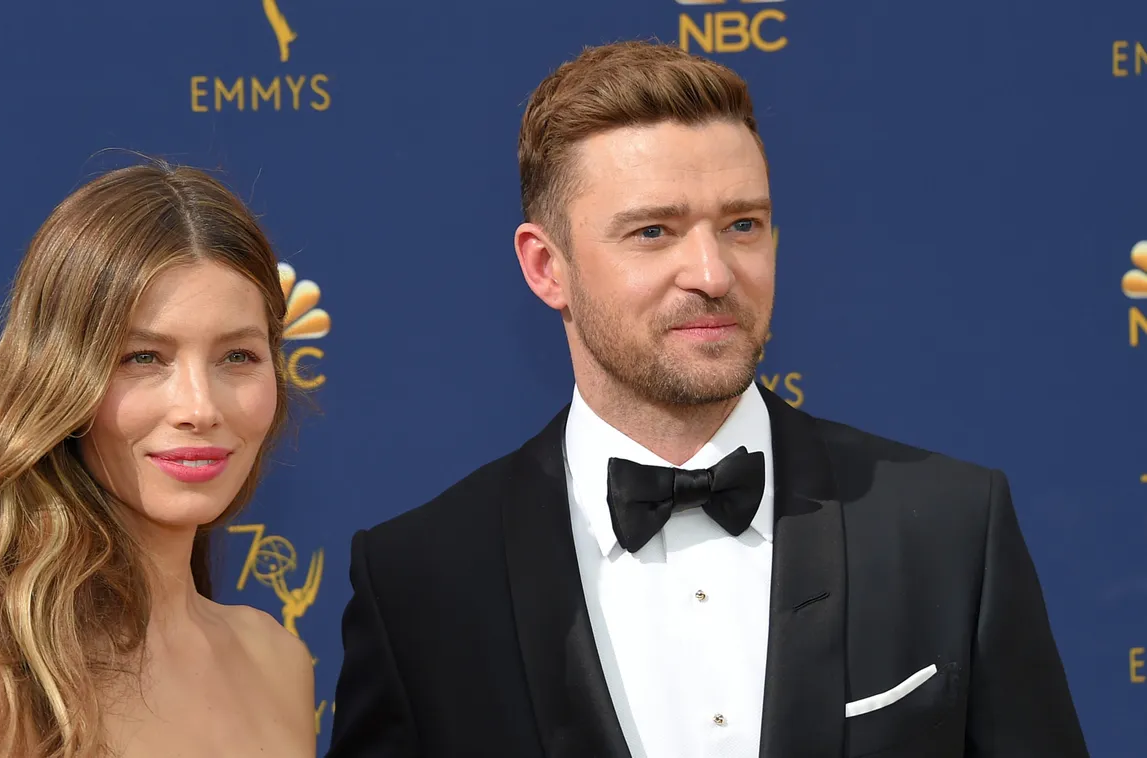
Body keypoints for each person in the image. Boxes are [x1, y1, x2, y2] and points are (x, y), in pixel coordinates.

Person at [325, 41, 1088, 758]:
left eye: (741, 224)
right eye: (654, 231)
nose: (713, 273)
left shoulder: (950, 527)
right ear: (545, 267)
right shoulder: (420, 581)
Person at [0, 163, 316, 758]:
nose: (199, 407)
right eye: (144, 358)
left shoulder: (277, 661)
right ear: (62, 382)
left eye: (237, 355)